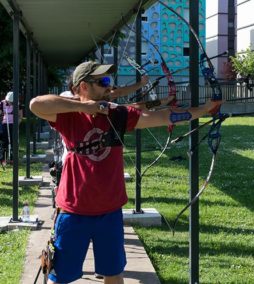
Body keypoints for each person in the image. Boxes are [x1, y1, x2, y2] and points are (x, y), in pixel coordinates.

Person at [29, 60, 221, 284]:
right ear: (83, 86)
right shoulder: (68, 115)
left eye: (109, 81)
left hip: (110, 212)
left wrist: (205, 109)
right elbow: (35, 105)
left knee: (113, 274)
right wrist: (86, 107)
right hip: (73, 211)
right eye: (102, 82)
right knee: (60, 275)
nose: (109, 88)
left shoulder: (118, 115)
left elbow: (164, 116)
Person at [0, 91, 22, 165]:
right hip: (4, 124)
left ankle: (13, 158)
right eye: (9, 101)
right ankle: (3, 159)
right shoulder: (2, 103)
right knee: (4, 141)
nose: (9, 102)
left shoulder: (18, 104)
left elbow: (20, 116)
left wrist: (17, 124)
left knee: (13, 141)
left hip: (13, 124)